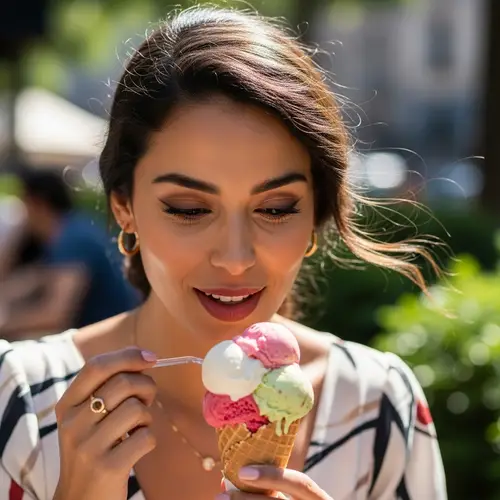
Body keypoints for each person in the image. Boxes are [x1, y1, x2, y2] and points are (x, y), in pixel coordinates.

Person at [0, 7, 447, 500]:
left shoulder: (377, 406)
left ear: (315, 215)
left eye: (276, 209)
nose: (235, 258)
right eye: (189, 209)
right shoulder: (20, 397)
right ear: (125, 208)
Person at [0, 168, 139, 339]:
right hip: (109, 336)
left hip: (113, 342)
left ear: (37, 203)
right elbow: (31, 280)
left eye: (23, 204)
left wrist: (6, 324)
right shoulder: (70, 229)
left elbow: (54, 315)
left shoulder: (73, 240)